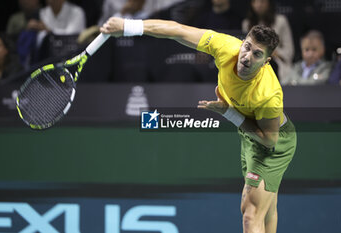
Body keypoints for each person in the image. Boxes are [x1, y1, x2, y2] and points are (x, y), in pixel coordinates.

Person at [100, 17, 297, 233]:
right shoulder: (225, 47)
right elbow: (177, 30)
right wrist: (128, 27)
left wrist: (229, 114)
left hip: (274, 145)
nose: (247, 57)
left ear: (267, 61)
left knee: (250, 213)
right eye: (247, 47)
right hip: (250, 134)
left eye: (257, 54)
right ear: (242, 42)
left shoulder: (268, 94)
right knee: (265, 210)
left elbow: (270, 140)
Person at [242, 0, 294, 82]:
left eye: (262, 1)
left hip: (277, 65)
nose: (258, 4)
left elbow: (289, 52)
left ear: (269, 3)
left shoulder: (281, 21)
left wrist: (272, 52)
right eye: (255, 1)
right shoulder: (246, 23)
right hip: (254, 64)